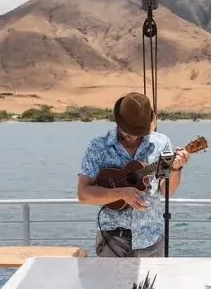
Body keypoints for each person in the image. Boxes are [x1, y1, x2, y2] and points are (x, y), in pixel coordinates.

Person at [77, 92, 189, 257]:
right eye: (128, 129)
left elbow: (166, 191)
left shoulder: (161, 144)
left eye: (138, 130)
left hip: (150, 238)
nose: (133, 135)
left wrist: (175, 169)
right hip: (112, 239)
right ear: (118, 121)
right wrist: (121, 193)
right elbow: (84, 195)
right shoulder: (98, 147)